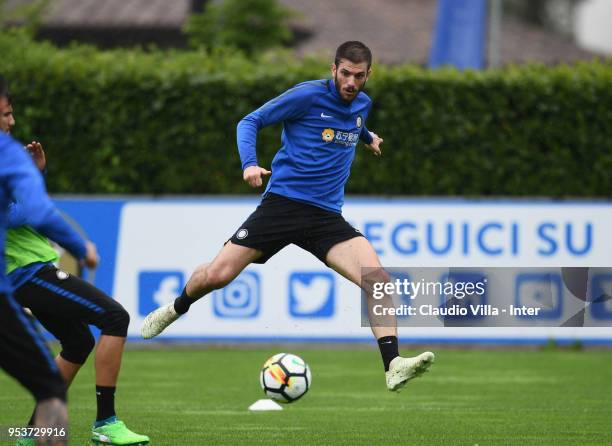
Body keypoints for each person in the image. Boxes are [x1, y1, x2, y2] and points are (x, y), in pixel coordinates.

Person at [142, 41, 434, 391]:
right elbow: (250, 121)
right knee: (218, 275)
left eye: (359, 76)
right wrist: (249, 163)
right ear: (333, 70)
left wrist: (368, 137)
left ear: (368, 75)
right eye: (345, 74)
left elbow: (353, 122)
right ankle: (177, 307)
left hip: (326, 216)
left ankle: (393, 365)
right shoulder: (306, 96)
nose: (351, 82)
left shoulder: (362, 104)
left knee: (378, 280)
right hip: (282, 205)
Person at [1, 78, 149, 446]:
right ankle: (106, 423)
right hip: (26, 272)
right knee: (115, 317)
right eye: (6, 113)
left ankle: (33, 433)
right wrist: (80, 246)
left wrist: (34, 177)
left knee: (78, 342)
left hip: (19, 275)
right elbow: (27, 214)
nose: (13, 121)